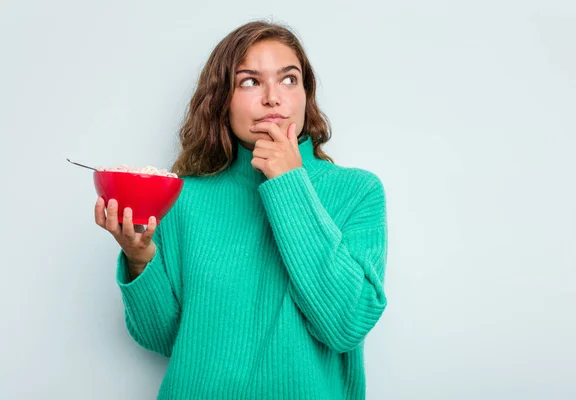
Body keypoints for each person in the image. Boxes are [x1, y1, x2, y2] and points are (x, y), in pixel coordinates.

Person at [95, 20, 388, 400]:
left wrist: (288, 184)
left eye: (289, 79)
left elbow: (346, 324)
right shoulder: (183, 199)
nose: (273, 98)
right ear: (222, 100)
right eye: (249, 81)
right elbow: (167, 341)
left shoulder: (358, 192)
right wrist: (139, 258)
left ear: (305, 95)